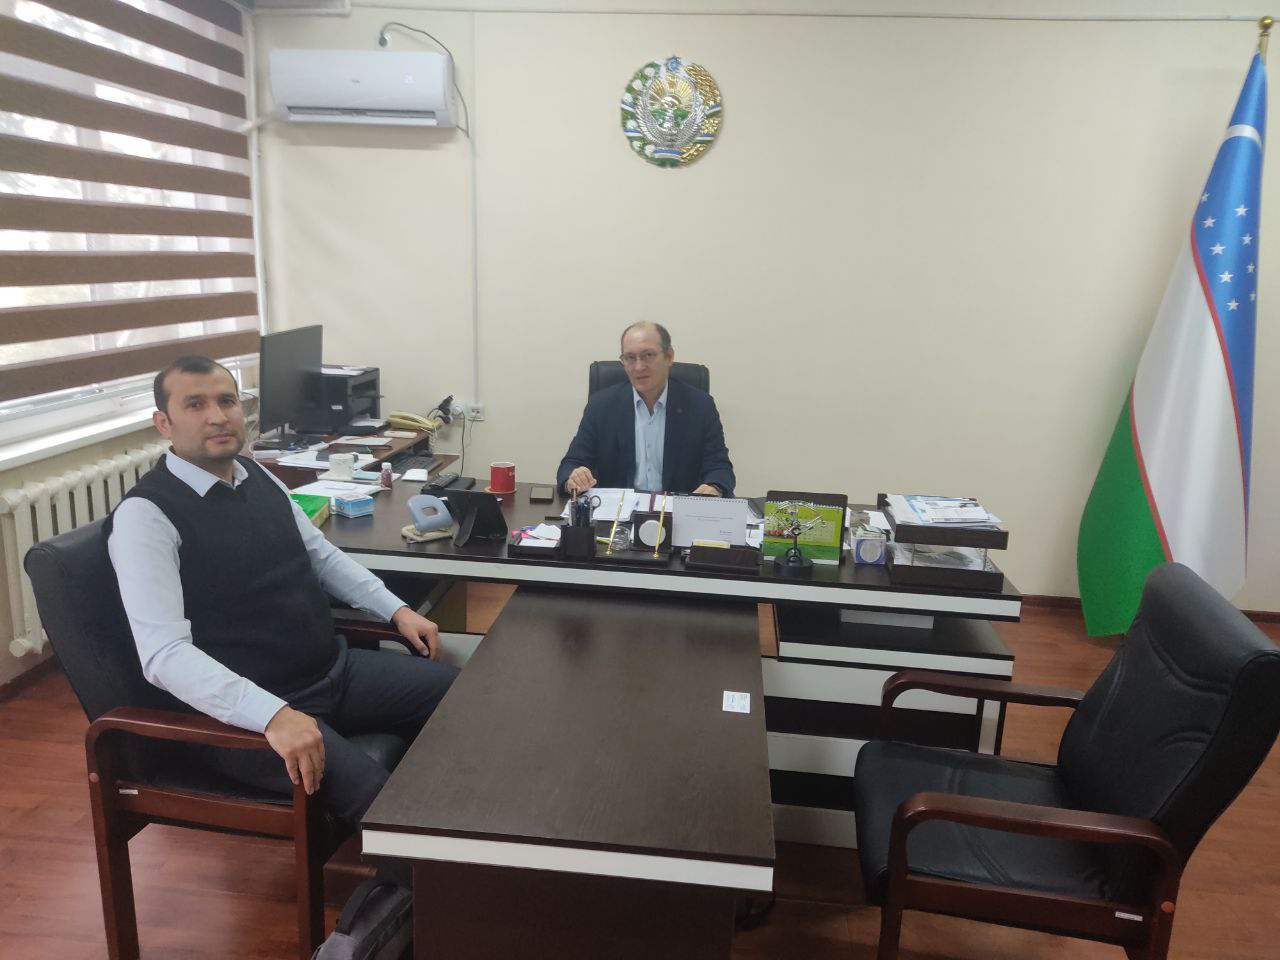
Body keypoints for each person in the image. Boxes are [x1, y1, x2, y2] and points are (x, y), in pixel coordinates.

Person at [106, 355, 458, 825]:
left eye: (226, 400)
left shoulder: (257, 476)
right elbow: (164, 655)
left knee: (461, 700)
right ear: (163, 424)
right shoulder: (146, 516)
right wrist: (272, 715)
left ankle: (473, 832)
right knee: (382, 804)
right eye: (195, 404)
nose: (217, 416)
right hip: (251, 716)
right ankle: (419, 865)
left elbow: (321, 557)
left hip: (332, 673)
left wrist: (396, 610)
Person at [556, 322, 735, 496]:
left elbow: (719, 467)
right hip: (619, 511)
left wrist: (715, 486)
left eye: (648, 355)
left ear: (669, 356)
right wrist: (574, 477)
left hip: (677, 510)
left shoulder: (700, 406)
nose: (639, 367)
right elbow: (571, 463)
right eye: (630, 358)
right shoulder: (601, 406)